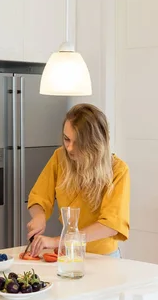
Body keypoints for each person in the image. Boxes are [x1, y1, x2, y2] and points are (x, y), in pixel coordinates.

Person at [27, 103, 130, 258]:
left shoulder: (118, 170)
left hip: (103, 258)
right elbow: (39, 197)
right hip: (70, 254)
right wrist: (39, 217)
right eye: (66, 139)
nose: (69, 148)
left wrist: (57, 241)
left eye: (78, 143)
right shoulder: (59, 157)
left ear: (95, 143)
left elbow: (110, 225)